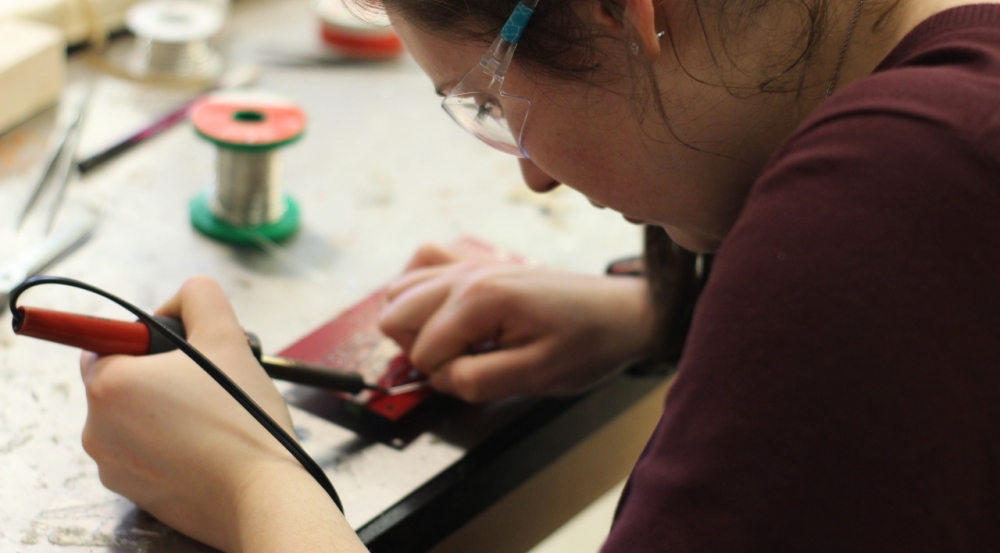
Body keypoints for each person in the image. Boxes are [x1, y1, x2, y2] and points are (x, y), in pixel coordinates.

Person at [79, 0, 1000, 550]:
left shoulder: (885, 208)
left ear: (626, 12)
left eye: (492, 103)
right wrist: (667, 310)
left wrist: (252, 481)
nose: (533, 173)